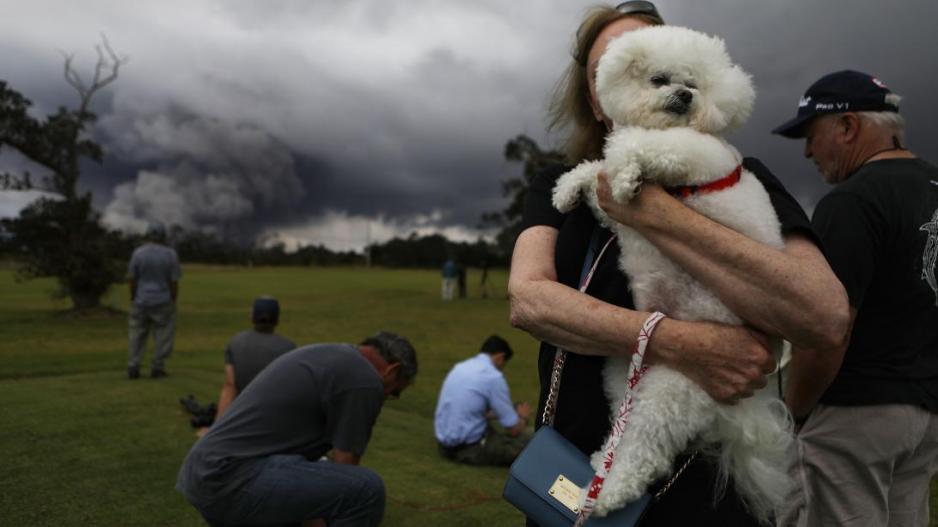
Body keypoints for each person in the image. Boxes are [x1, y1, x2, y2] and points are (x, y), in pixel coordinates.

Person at [507, 2, 850, 525]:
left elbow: (824, 316)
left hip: (703, 493)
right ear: (598, 99)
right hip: (569, 475)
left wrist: (655, 213)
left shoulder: (740, 175)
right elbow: (530, 301)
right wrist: (682, 344)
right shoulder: (560, 186)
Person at [772, 70, 938, 527]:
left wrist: (795, 412)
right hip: (925, 418)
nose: (807, 152)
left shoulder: (852, 200)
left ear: (847, 127)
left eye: (811, 135)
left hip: (854, 416)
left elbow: (826, 329)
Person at [176, 331, 418, 527]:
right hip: (231, 479)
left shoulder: (331, 354)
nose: (388, 396)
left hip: (204, 475)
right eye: (395, 391)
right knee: (366, 490)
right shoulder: (365, 379)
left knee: (321, 469)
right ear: (392, 370)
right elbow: (346, 464)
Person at [197, 297, 296, 435]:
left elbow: (230, 386)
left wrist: (215, 429)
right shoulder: (289, 347)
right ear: (277, 319)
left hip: (243, 416)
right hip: (275, 419)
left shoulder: (236, 341)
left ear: (252, 317)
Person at [434, 335, 532, 466]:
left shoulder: (460, 367)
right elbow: (514, 430)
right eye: (504, 363)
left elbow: (470, 408)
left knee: (497, 432)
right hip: (470, 450)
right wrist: (523, 417)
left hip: (444, 447)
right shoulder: (494, 377)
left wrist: (503, 412)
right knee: (531, 436)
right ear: (500, 357)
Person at [127, 222, 181, 379]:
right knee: (163, 335)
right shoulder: (170, 254)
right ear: (163, 236)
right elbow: (174, 282)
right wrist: (173, 299)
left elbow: (132, 278)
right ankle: (157, 367)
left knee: (136, 334)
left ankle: (133, 366)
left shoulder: (138, 253)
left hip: (141, 300)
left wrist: (133, 296)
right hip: (163, 300)